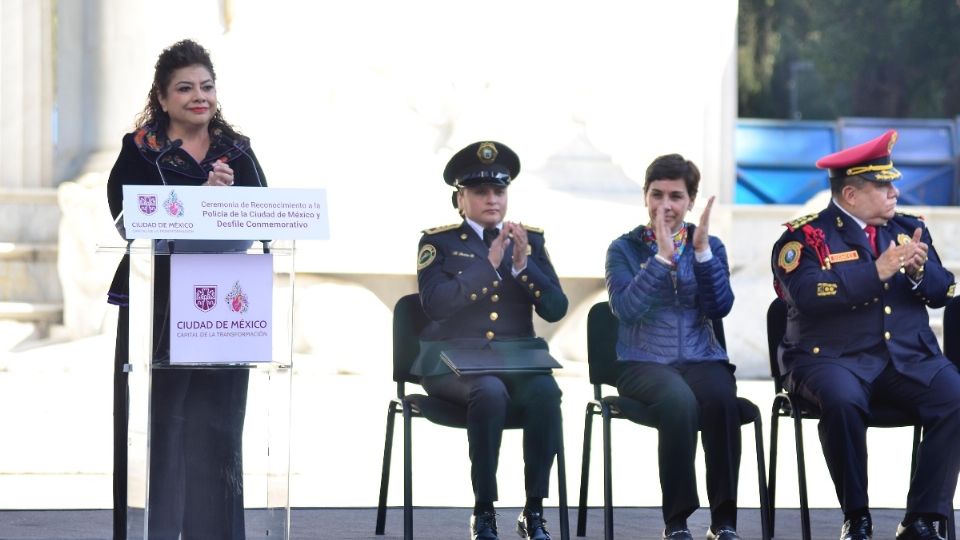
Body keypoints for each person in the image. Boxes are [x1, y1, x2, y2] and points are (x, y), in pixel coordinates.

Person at [106, 39, 267, 540]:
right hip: (160, 300)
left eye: (207, 86)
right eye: (186, 88)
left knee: (219, 425)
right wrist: (195, 200)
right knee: (167, 424)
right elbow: (125, 215)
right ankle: (160, 533)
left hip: (226, 300)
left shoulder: (235, 149)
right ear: (162, 96)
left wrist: (231, 199)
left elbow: (266, 216)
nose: (199, 97)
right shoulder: (141, 150)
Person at [771, 129, 960, 540]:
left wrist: (917, 271)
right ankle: (857, 516)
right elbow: (804, 294)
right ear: (851, 195)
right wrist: (876, 271)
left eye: (893, 182)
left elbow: (944, 290)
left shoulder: (908, 230)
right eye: (883, 184)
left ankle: (922, 519)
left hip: (904, 360)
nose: (894, 191)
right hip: (830, 359)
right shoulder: (804, 238)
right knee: (842, 399)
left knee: (954, 394)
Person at [413, 141, 568, 540]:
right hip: (453, 362)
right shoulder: (438, 244)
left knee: (546, 395)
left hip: (518, 359)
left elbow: (555, 307)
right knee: (490, 391)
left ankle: (534, 511)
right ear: (460, 198)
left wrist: (522, 265)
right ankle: (484, 511)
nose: (492, 199)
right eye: (480, 192)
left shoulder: (528, 240)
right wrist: (489, 266)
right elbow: (436, 306)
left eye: (499, 191)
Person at [605, 154, 740, 540]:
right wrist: (662, 260)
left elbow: (720, 307)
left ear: (691, 201)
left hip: (701, 357)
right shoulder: (625, 249)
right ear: (645, 197)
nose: (666, 205)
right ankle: (677, 522)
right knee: (679, 401)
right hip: (642, 362)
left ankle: (724, 521)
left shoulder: (709, 243)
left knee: (721, 398)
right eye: (657, 194)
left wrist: (701, 255)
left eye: (676, 197)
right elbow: (626, 309)